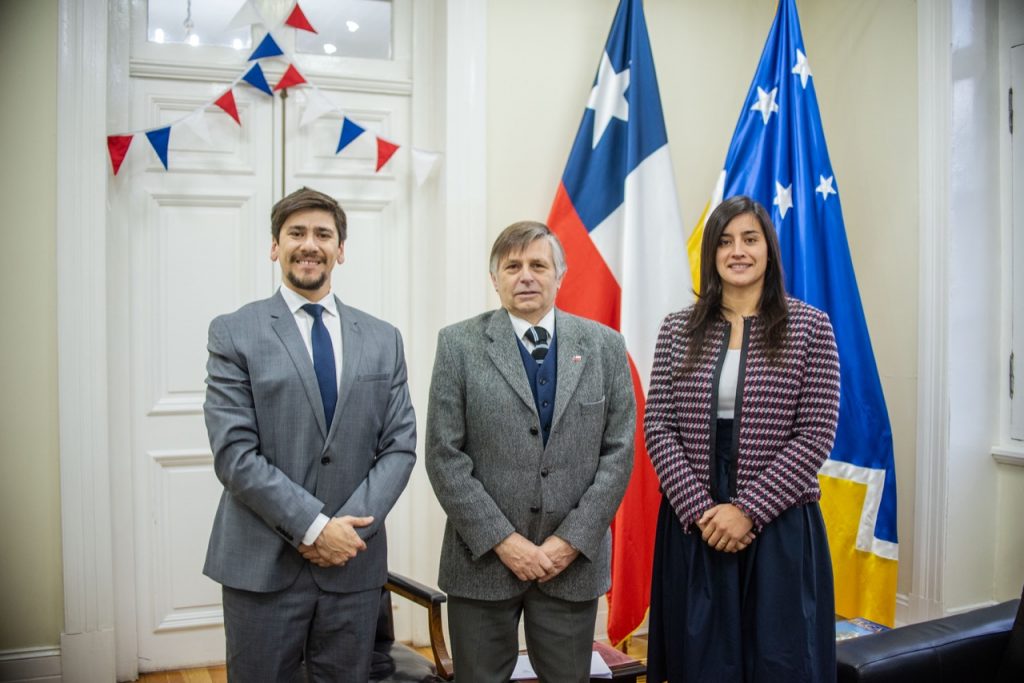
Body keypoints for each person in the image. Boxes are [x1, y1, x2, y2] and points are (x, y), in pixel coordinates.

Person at [202, 187, 416, 682]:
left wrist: (346, 536)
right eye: (296, 233)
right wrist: (316, 528)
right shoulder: (234, 332)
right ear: (274, 246)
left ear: (341, 249)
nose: (309, 244)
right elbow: (235, 454)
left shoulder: (383, 338)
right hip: (262, 566)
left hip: (353, 566)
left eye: (323, 234)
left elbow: (400, 447)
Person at [425, 221, 636, 683]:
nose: (526, 276)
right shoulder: (458, 345)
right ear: (494, 278)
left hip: (571, 566)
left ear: (560, 275)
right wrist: (506, 543)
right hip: (481, 563)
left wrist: (569, 542)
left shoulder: (605, 346)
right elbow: (444, 456)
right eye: (512, 266)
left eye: (538, 265)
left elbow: (619, 453)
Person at [644, 195, 840, 682]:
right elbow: (658, 426)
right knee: (700, 661)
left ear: (768, 249)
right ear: (711, 253)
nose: (738, 251)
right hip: (696, 521)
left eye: (750, 239)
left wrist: (748, 510)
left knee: (780, 659)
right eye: (725, 241)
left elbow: (816, 433)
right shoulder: (677, 329)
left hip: (779, 521)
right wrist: (701, 510)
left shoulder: (811, 327)